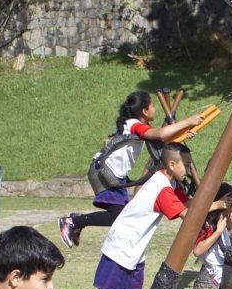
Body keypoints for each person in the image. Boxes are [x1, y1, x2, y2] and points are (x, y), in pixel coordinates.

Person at [69, 143, 225, 289]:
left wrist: (214, 203)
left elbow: (188, 204)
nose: (188, 169)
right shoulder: (162, 188)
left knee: (132, 287)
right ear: (171, 164)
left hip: (136, 244)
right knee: (111, 288)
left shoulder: (170, 183)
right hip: (125, 241)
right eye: (186, 165)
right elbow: (188, 215)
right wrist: (217, 205)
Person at [58, 90, 206, 248]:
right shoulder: (134, 125)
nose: (154, 108)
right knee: (117, 217)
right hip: (104, 173)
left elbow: (162, 140)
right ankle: (73, 221)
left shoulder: (139, 125)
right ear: (144, 111)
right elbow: (161, 134)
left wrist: (184, 133)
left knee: (123, 215)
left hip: (115, 175)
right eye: (152, 105)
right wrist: (189, 121)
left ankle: (77, 223)